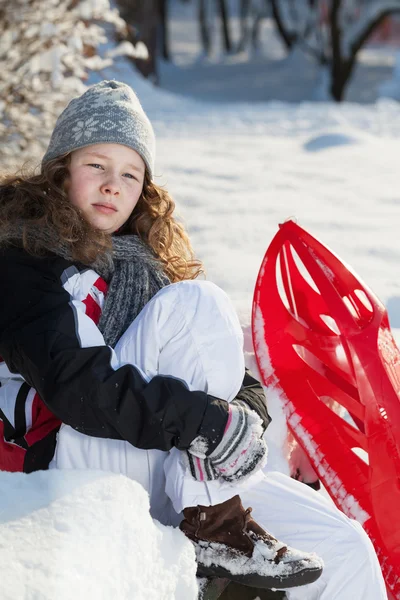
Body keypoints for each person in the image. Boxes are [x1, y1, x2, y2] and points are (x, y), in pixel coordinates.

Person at [0, 81, 387, 599]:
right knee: (197, 304)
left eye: (130, 174)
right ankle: (214, 523)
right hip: (69, 453)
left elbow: (232, 376)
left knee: (343, 548)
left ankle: (215, 519)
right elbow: (74, 383)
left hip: (169, 463)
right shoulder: (22, 257)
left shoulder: (145, 267)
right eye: (97, 165)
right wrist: (207, 422)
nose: (113, 185)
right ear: (60, 168)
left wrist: (240, 420)